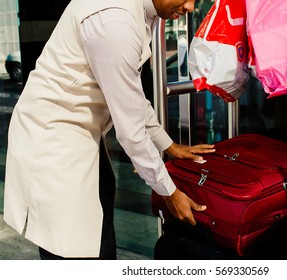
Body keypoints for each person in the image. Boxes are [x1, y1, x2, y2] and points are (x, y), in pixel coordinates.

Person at [3, 0, 215, 260]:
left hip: (80, 137)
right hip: (53, 143)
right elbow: (131, 131)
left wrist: (167, 145)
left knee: (97, 236)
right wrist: (168, 191)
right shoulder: (116, 22)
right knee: (71, 250)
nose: (192, 7)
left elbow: (130, 95)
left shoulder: (133, 12)